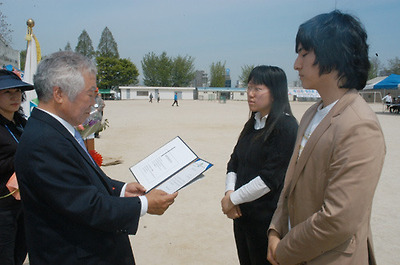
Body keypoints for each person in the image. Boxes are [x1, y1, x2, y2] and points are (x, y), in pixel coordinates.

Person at [14, 51, 178, 265]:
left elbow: (79, 180)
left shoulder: (57, 130)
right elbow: (87, 205)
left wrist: (121, 189)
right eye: (90, 94)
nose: (95, 102)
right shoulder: (44, 142)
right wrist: (145, 204)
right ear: (59, 94)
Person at [267, 10, 385, 265]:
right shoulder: (312, 113)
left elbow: (337, 220)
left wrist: (284, 249)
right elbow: (290, 186)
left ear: (332, 53)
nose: (296, 64)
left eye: (304, 53)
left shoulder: (359, 125)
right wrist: (275, 230)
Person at [221, 65, 298, 265]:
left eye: (257, 89)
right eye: (249, 88)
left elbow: (269, 179)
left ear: (275, 93)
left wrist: (233, 199)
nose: (250, 94)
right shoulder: (252, 124)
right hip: (241, 217)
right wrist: (229, 194)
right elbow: (234, 162)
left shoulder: (286, 126)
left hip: (266, 221)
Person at [0, 70, 34, 265]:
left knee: (21, 250)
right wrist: (23, 158)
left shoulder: (22, 123)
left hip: (24, 201)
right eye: (7, 92)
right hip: (3, 205)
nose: (15, 97)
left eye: (18, 92)